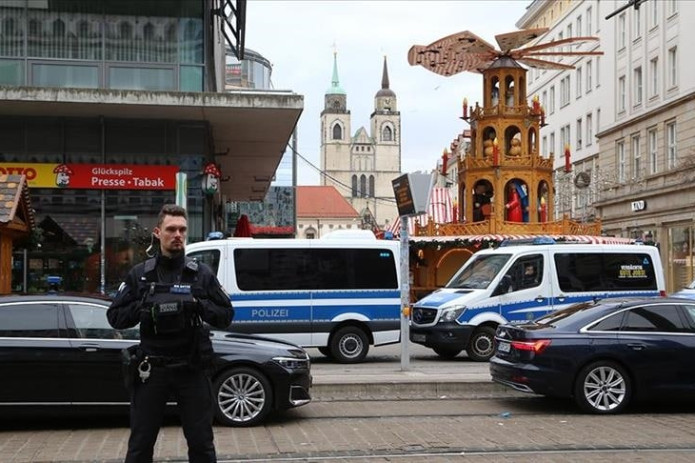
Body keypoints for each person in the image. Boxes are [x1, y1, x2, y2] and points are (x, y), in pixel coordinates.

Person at [107, 204, 233, 463]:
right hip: (152, 371)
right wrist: (145, 307)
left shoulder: (201, 275)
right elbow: (115, 317)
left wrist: (198, 305)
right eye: (171, 229)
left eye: (182, 230)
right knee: (140, 445)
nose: (177, 235)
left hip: (191, 369)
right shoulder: (140, 275)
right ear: (158, 232)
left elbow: (226, 315)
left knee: (202, 445)